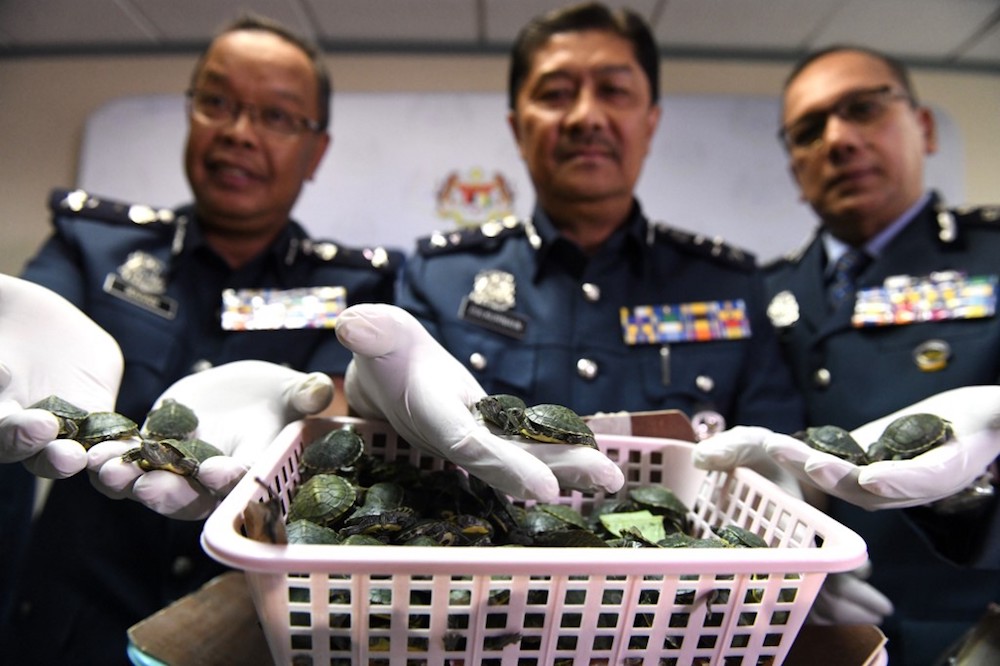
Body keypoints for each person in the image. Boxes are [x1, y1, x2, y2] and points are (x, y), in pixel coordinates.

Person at [0, 14, 404, 665]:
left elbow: (337, 402)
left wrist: (317, 417)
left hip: (248, 630)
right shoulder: (93, 244)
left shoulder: (356, 283)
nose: (239, 133)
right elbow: (20, 330)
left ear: (316, 151)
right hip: (72, 627)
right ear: (192, 114)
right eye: (217, 102)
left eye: (276, 116)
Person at [699, 44, 1000, 665]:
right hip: (804, 629)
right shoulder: (765, 291)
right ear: (795, 168)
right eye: (809, 130)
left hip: (970, 624)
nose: (838, 139)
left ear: (924, 128)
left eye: (864, 109)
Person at [396, 2, 804, 436]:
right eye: (555, 94)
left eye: (613, 90)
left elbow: (771, 451)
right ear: (518, 130)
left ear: (650, 124)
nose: (586, 117)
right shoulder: (440, 279)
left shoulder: (728, 286)